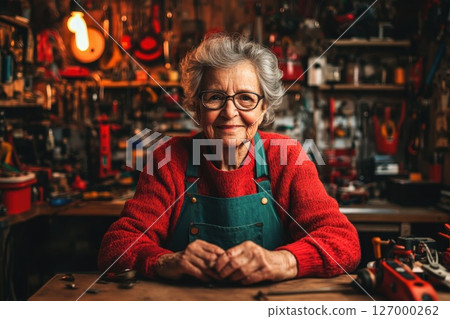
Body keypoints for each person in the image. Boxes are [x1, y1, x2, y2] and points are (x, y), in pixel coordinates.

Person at [98, 33, 360, 284]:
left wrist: (283, 262)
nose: (229, 112)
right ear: (196, 107)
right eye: (215, 98)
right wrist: (165, 262)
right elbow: (116, 246)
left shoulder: (288, 157)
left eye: (246, 98)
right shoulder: (168, 159)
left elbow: (343, 241)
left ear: (263, 107)